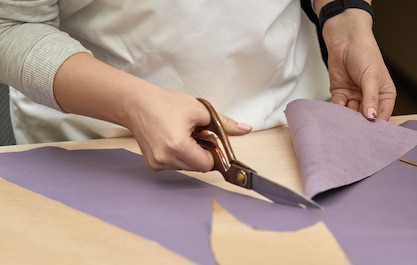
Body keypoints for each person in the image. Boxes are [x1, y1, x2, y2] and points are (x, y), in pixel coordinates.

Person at [0, 0, 395, 173]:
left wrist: (344, 17)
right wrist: (134, 104)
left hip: (291, 134)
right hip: (100, 146)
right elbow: (10, 26)